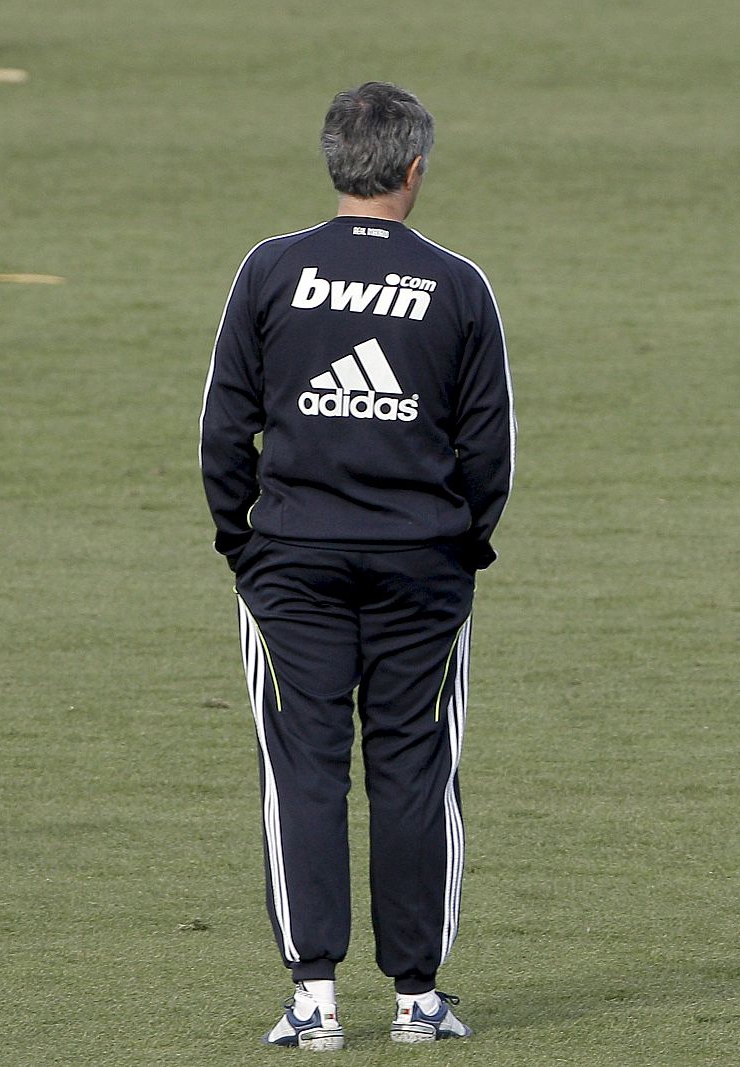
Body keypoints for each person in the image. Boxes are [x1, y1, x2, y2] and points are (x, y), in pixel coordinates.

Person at [200, 82, 514, 1046]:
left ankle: (315, 997)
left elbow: (224, 427)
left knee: (304, 767)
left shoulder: (269, 270)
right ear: (415, 169)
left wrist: (242, 545)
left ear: (335, 162)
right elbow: (490, 448)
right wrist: (461, 553)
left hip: (292, 562)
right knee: (416, 763)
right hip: (422, 567)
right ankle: (418, 996)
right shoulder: (457, 283)